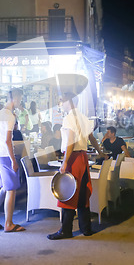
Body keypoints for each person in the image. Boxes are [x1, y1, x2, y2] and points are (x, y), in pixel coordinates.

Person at [47, 92, 104, 240]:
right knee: (83, 193)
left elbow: (70, 142)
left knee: (67, 193)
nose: (61, 105)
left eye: (63, 102)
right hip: (83, 158)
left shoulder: (68, 119)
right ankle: (86, 228)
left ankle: (66, 230)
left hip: (73, 157)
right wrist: (100, 152)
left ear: (69, 102)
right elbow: (92, 138)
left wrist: (65, 162)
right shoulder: (84, 118)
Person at [0, 88, 26, 233]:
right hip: (5, 156)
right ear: (16, 98)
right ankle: (9, 223)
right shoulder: (9, 116)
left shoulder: (1, 113)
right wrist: (14, 160)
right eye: (20, 98)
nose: (20, 101)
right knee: (12, 189)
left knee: (4, 189)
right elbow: (8, 141)